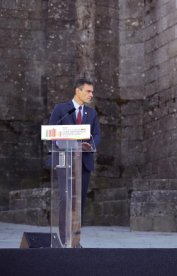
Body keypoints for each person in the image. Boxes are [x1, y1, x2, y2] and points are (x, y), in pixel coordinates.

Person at [49, 78, 101, 245]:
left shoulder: (91, 113)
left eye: (92, 92)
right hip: (65, 160)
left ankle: (75, 239)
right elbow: (52, 130)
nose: (91, 94)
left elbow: (97, 135)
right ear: (78, 91)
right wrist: (63, 142)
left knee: (80, 200)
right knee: (66, 198)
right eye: (88, 91)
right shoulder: (61, 109)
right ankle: (65, 240)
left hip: (83, 162)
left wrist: (89, 144)